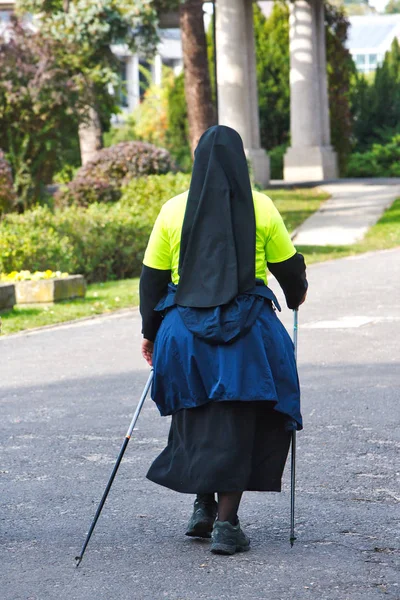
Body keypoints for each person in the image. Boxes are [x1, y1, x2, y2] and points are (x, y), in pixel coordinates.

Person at [139, 125, 307, 556]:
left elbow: (151, 283)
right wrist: (296, 294)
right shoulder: (262, 207)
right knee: (243, 419)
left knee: (195, 412)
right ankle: (226, 524)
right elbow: (289, 270)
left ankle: (203, 505)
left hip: (183, 333)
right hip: (248, 332)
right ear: (240, 163)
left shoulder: (173, 210)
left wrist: (150, 334)